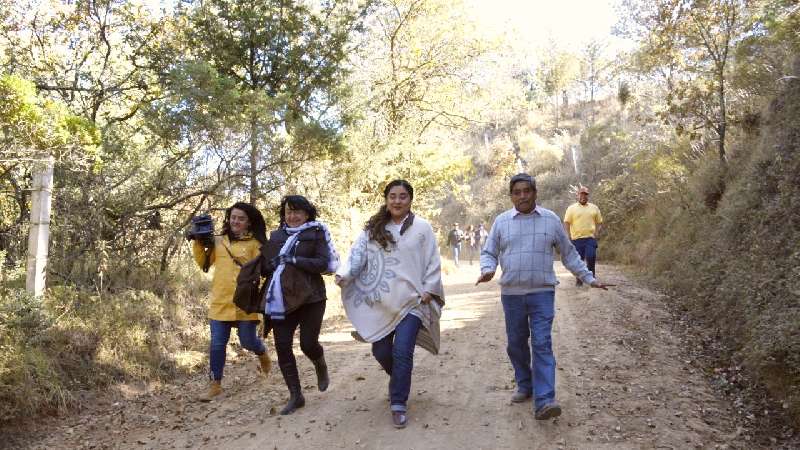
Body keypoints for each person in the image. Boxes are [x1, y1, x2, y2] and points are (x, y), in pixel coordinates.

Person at [476, 173, 608, 420]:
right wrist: (487, 269)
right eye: (517, 192)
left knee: (541, 343)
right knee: (515, 344)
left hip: (542, 294)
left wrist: (589, 278)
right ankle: (525, 385)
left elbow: (569, 254)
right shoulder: (502, 222)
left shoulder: (550, 220)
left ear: (535, 193)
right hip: (512, 295)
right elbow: (489, 252)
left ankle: (545, 399)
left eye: (527, 191)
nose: (523, 196)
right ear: (511, 196)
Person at [335, 179, 444, 429]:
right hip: (380, 302)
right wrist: (345, 273)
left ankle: (398, 403)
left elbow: (432, 261)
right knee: (381, 351)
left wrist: (429, 289)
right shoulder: (373, 230)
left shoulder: (423, 228)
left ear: (410, 200)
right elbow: (357, 256)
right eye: (393, 196)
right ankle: (400, 379)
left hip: (412, 301)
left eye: (403, 196)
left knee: (402, 351)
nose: (397, 201)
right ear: (386, 199)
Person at [259, 195, 339, 415]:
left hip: (311, 297)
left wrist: (294, 260)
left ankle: (320, 363)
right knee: (283, 348)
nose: (292, 216)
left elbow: (323, 263)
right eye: (288, 212)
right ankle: (296, 395)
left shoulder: (316, 232)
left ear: (307, 214)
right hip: (281, 298)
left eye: (297, 212)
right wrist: (266, 265)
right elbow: (266, 267)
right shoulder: (276, 236)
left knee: (307, 344)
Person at [191, 202, 271, 402]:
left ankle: (262, 352)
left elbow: (264, 270)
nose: (236, 221)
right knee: (217, 345)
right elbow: (204, 264)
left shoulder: (256, 244)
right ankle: (215, 385)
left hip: (245, 303)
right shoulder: (218, 241)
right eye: (233, 217)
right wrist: (198, 242)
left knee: (247, 341)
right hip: (220, 302)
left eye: (241, 218)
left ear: (249, 222)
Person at [563, 186, 603, 286]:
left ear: (587, 196)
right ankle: (579, 281)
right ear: (578, 195)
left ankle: (592, 280)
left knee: (591, 257)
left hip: (590, 238)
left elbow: (599, 222)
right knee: (579, 261)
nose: (583, 196)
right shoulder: (571, 208)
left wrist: (596, 233)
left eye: (585, 194)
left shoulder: (594, 208)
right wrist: (569, 236)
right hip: (576, 239)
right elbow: (567, 222)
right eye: (581, 194)